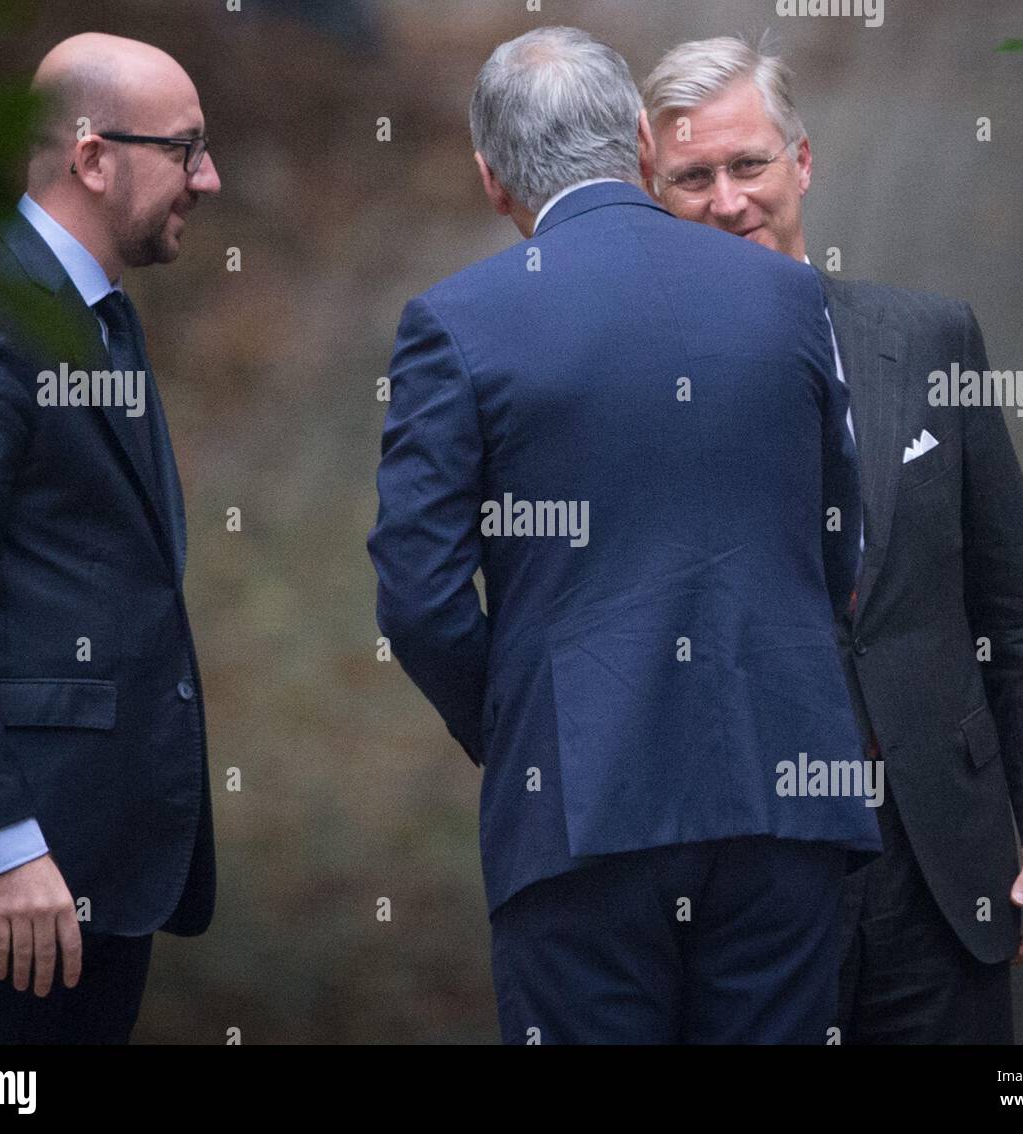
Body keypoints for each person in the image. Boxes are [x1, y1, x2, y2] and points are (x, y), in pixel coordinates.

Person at [368, 26, 880, 1044]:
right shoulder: (787, 295)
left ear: (489, 178)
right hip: (783, 788)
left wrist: (526, 726)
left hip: (578, 809)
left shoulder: (454, 324)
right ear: (645, 142)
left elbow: (418, 597)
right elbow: (841, 534)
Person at [641, 35, 1023, 1044]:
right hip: (745, 866)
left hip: (939, 853)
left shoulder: (929, 340)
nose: (726, 200)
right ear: (652, 191)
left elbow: (1012, 601)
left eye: (749, 164)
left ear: (801, 162)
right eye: (692, 177)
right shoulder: (629, 394)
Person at [0, 32, 221, 1043]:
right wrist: (3, 843)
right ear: (94, 158)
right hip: (14, 885)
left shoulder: (97, 314)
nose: (210, 178)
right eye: (185, 150)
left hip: (95, 869)